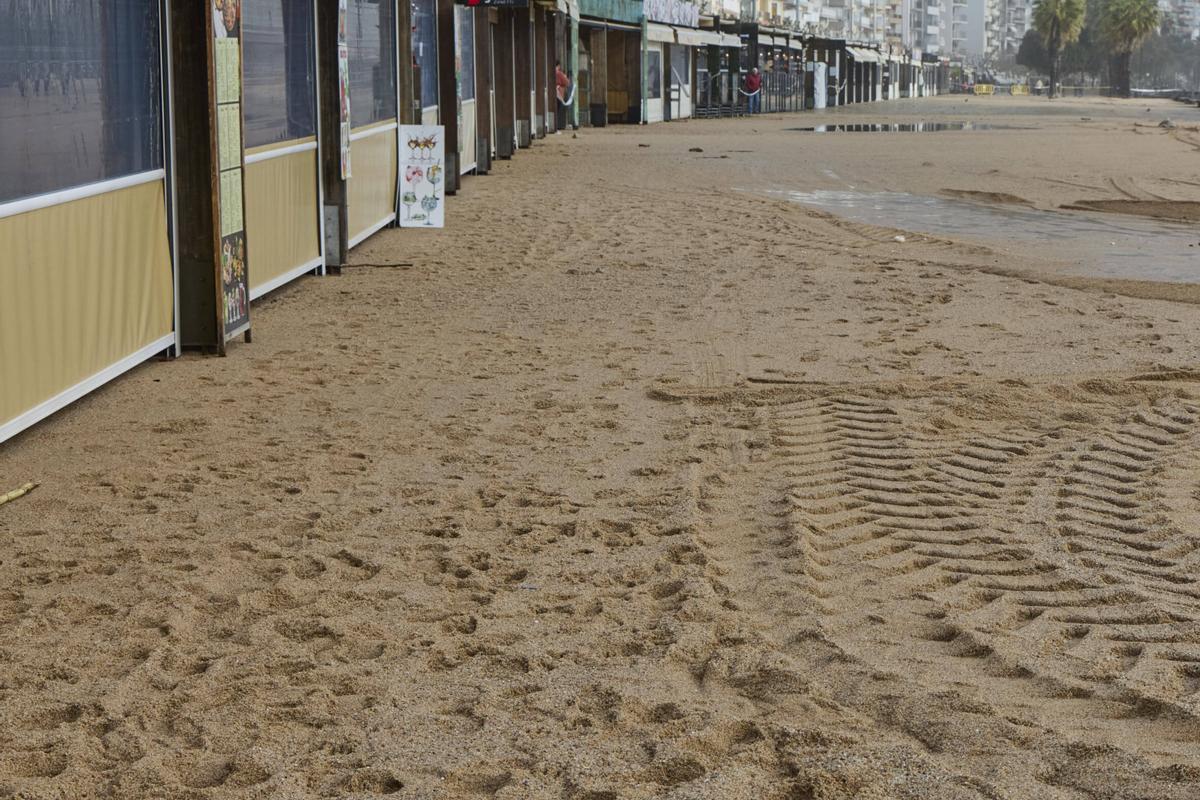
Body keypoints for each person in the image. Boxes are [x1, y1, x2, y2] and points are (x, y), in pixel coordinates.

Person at [555, 60, 570, 131]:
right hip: (559, 95)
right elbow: (567, 82)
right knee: (558, 110)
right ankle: (557, 126)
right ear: (558, 66)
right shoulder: (559, 73)